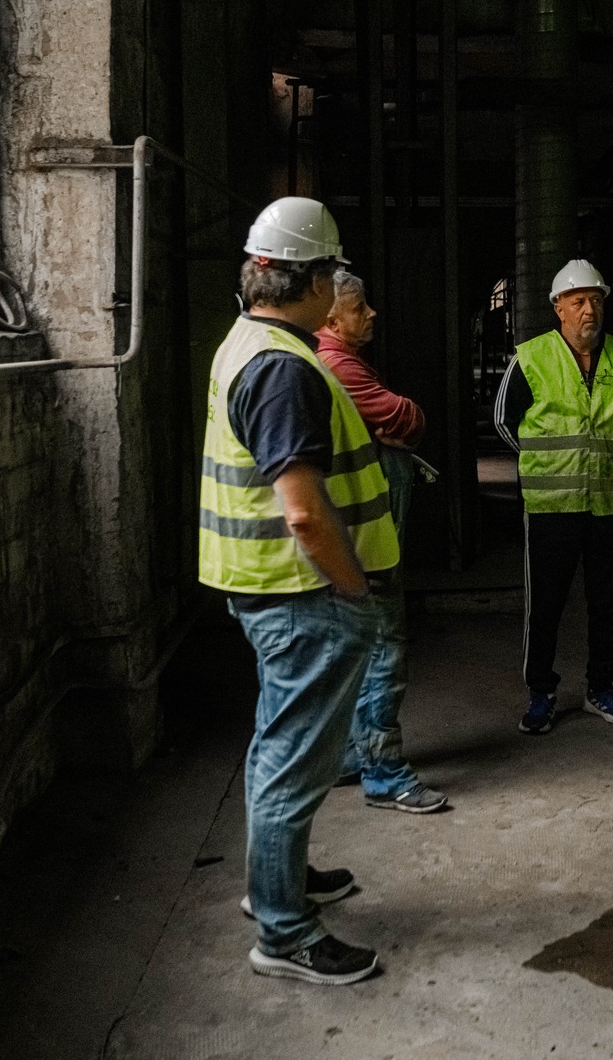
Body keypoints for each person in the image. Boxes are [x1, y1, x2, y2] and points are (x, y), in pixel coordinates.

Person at [198, 197, 398, 986]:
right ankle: (284, 933)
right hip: (302, 593)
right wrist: (353, 595)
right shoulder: (284, 368)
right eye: (332, 275)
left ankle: (275, 881)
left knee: (278, 743)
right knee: (294, 759)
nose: (337, 289)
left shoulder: (249, 342)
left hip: (268, 587)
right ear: (312, 282)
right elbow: (305, 512)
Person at [492, 259, 613, 734]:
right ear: (558, 307)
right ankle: (541, 693)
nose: (588, 310)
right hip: (551, 507)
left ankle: (602, 689)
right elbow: (503, 420)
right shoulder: (531, 357)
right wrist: (548, 462)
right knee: (546, 605)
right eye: (577, 301)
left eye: (595, 300)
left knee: (609, 603)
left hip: (610, 504)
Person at [315, 270, 448, 814]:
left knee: (356, 647)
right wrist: (405, 420)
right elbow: (403, 415)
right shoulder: (338, 364)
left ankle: (352, 755)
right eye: (359, 307)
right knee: (385, 650)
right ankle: (385, 773)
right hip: (367, 538)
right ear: (330, 317)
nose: (371, 314)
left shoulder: (326, 359)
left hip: (356, 532)